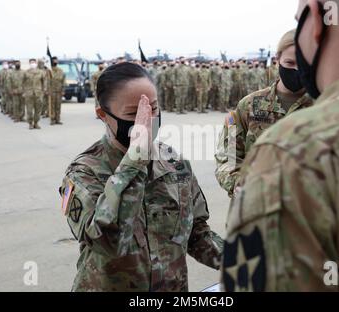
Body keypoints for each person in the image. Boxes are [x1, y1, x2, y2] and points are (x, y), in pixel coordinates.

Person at [222, 0, 339, 292]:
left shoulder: (292, 152)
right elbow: (228, 155)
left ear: (317, 21)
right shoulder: (249, 106)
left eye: (300, 21)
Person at [60, 62, 224, 292]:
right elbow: (109, 243)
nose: (145, 121)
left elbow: (197, 234)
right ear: (103, 115)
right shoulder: (84, 172)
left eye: (153, 109)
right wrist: (134, 162)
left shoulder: (173, 163)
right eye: (132, 113)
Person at [215, 29, 313, 198]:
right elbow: (227, 157)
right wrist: (239, 184)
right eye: (290, 63)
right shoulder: (248, 105)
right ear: (277, 60)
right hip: (253, 209)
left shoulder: (324, 105)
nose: (297, 70)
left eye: (303, 63)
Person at [23, 59, 47, 130]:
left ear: (36, 63)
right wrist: (24, 92)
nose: (32, 64)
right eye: (31, 62)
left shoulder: (41, 72)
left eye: (33, 62)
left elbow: (44, 81)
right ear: (29, 63)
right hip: (29, 94)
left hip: (38, 94)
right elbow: (23, 82)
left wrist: (44, 90)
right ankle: (30, 123)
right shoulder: (26, 72)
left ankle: (36, 123)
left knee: (38, 110)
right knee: (29, 110)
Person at [49, 57, 65, 125]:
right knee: (52, 106)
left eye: (56, 60)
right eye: (54, 60)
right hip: (52, 91)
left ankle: (57, 119)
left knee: (58, 106)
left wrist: (63, 90)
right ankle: (52, 119)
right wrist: (47, 90)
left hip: (59, 91)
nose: (55, 61)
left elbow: (63, 81)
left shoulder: (61, 70)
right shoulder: (49, 70)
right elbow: (47, 81)